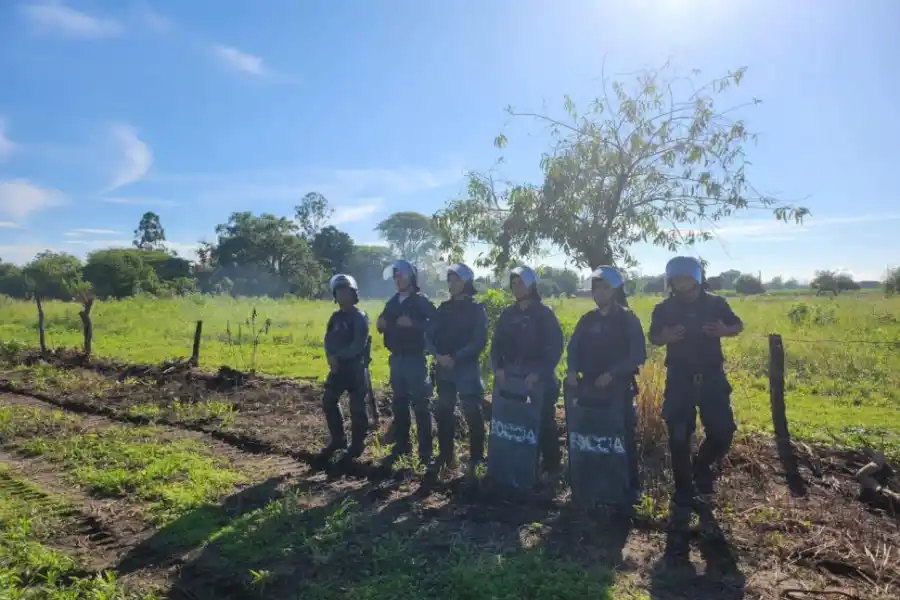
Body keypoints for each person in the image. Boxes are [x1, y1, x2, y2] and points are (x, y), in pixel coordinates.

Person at [648, 256, 744, 528]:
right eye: (676, 280)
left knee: (723, 431)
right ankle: (683, 490)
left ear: (697, 278)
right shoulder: (664, 308)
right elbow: (653, 336)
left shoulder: (716, 303)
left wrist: (725, 330)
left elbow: (738, 325)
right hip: (679, 379)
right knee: (678, 435)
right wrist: (663, 338)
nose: (681, 284)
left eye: (686, 279)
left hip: (712, 377)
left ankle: (701, 467)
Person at [564, 266, 646, 504]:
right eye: (596, 287)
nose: (599, 292)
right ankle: (589, 482)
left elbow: (637, 355)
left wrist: (612, 373)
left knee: (623, 437)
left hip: (618, 388)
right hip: (588, 387)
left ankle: (630, 488)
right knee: (589, 434)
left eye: (605, 287)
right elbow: (573, 347)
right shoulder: (587, 320)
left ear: (615, 290)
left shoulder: (628, 319)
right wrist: (571, 369)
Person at [490, 266, 565, 478]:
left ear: (531, 285)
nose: (515, 287)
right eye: (513, 283)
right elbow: (496, 346)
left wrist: (539, 373)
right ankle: (515, 465)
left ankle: (551, 469)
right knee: (512, 422)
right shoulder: (507, 314)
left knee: (543, 422)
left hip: (537, 378)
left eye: (520, 283)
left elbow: (554, 348)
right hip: (511, 376)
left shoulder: (544, 314)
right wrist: (498, 368)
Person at [425, 263, 488, 474]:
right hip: (444, 369)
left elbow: (479, 340)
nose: (451, 284)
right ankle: (445, 456)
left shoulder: (477, 309)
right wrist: (437, 355)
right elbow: (428, 335)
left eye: (456, 280)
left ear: (466, 282)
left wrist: (457, 357)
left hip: (467, 369)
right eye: (449, 280)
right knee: (444, 411)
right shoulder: (443, 308)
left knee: (472, 411)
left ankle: (477, 459)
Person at [376, 259, 438, 465]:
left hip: (415, 359)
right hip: (396, 359)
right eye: (395, 276)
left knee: (421, 405)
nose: (397, 280)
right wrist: (380, 323)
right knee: (399, 403)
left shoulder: (421, 301)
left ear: (410, 278)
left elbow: (435, 324)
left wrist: (414, 324)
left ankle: (426, 452)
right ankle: (402, 445)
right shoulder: (392, 302)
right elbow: (383, 321)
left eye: (400, 276)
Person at [319, 274, 371, 460]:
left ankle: (357, 444)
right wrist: (330, 357)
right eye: (338, 291)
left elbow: (359, 344)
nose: (342, 295)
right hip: (337, 368)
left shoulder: (359, 317)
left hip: (355, 369)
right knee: (328, 400)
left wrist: (339, 357)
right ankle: (338, 439)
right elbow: (328, 339)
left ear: (353, 293)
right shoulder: (335, 317)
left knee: (357, 407)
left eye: (346, 291)